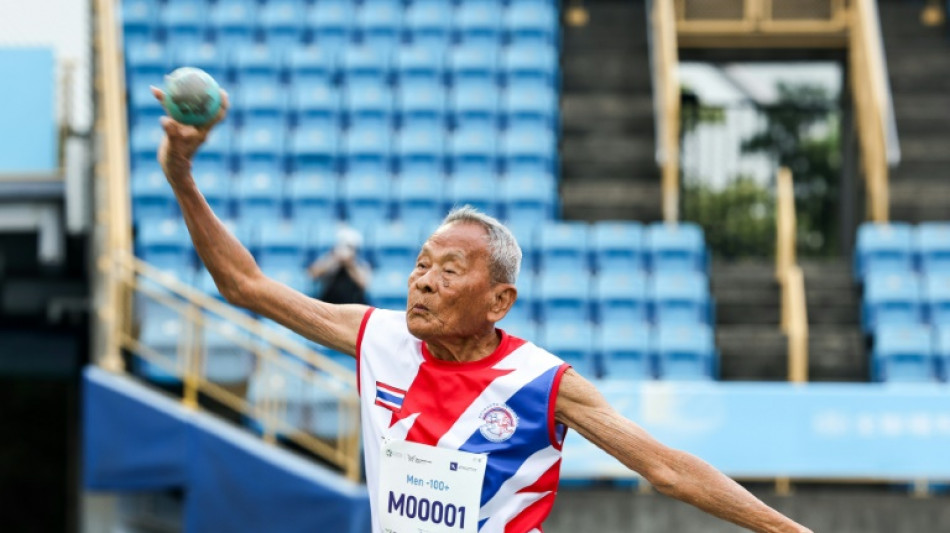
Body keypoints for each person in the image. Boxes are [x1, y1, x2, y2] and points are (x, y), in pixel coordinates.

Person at [149, 87, 812, 533]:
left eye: (449, 269)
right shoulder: (377, 335)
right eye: (419, 264)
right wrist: (181, 174)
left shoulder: (542, 382)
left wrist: (788, 530)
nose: (423, 282)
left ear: (499, 301)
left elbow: (667, 468)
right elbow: (245, 286)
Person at [308, 225, 371, 305]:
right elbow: (313, 274)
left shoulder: (360, 264)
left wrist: (350, 264)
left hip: (353, 306)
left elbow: (364, 284)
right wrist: (334, 258)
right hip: (330, 305)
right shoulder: (330, 259)